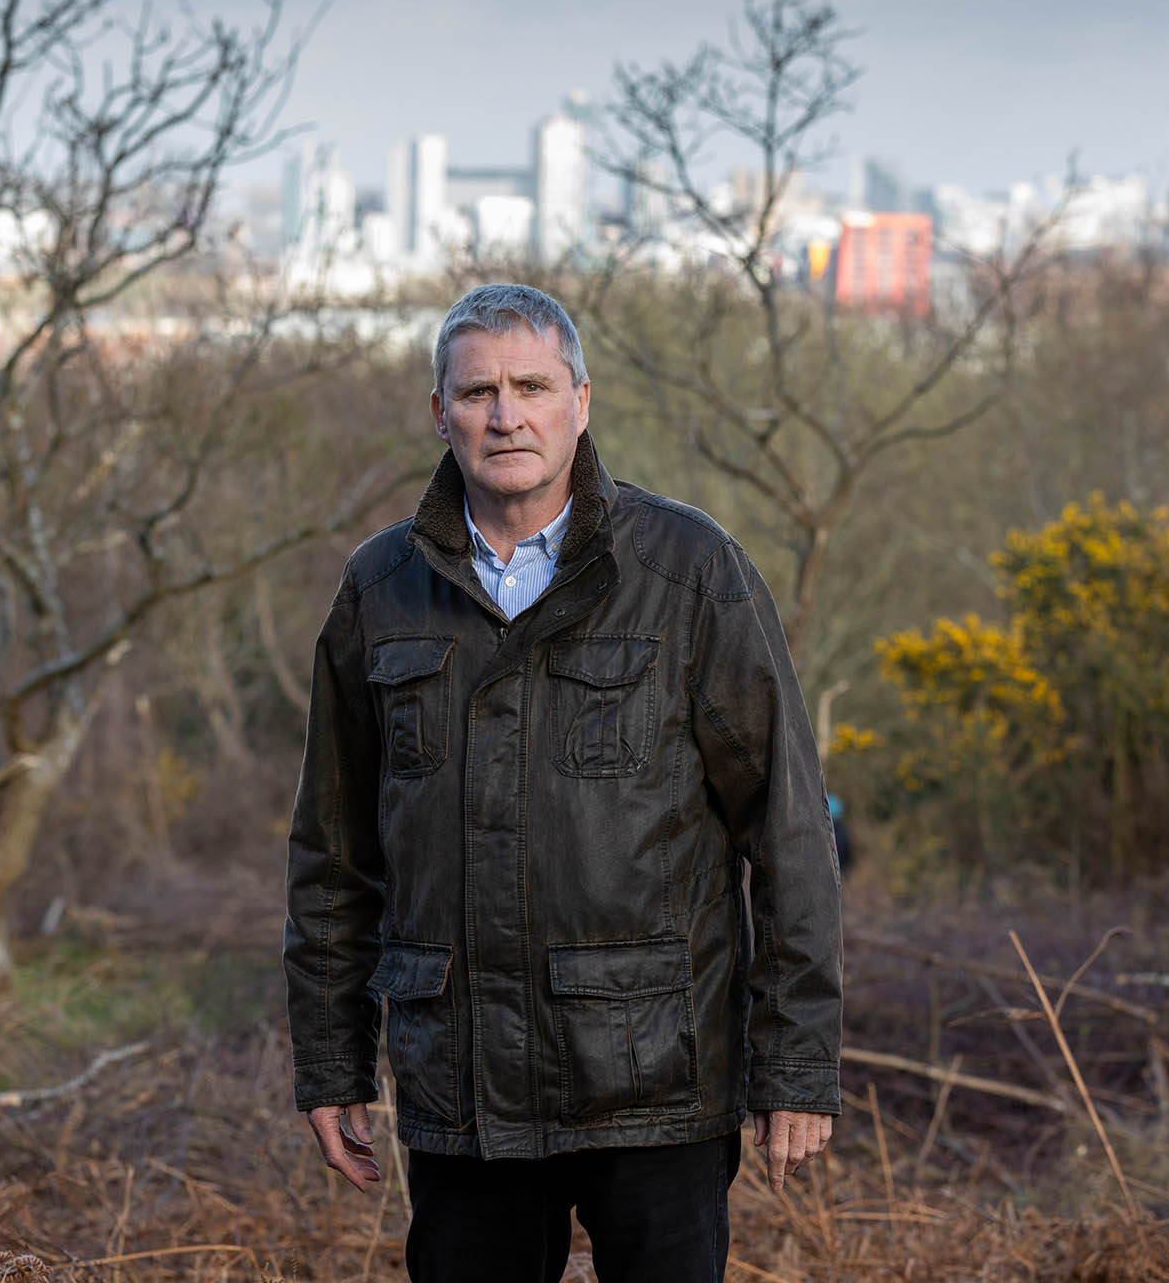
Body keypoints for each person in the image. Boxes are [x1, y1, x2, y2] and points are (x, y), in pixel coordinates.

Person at [284, 283, 842, 1283]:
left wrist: (795, 1061)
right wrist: (331, 1057)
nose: (507, 415)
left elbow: (789, 827)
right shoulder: (381, 588)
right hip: (462, 1087)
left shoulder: (688, 569)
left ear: (580, 400)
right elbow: (334, 854)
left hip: (658, 1077)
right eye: (478, 391)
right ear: (439, 412)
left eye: (532, 385)